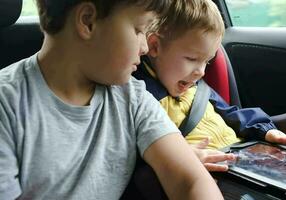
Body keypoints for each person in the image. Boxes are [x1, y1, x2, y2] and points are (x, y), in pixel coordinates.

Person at [0, 1, 225, 200]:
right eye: (139, 30)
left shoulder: (132, 98)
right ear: (88, 22)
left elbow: (190, 181)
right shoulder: (7, 104)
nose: (145, 47)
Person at [132, 0, 286, 199]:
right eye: (191, 59)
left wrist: (265, 130)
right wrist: (181, 160)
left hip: (245, 159)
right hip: (215, 176)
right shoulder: (139, 96)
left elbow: (232, 112)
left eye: (206, 62)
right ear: (154, 47)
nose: (200, 71)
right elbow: (133, 154)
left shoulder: (196, 85)